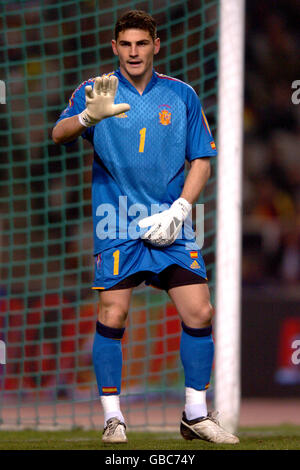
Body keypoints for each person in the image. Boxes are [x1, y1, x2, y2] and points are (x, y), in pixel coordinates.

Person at [52, 10, 239, 445]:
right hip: (115, 222)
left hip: (172, 221)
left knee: (200, 312)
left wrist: (179, 210)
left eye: (142, 43)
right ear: (114, 48)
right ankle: (113, 418)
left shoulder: (182, 95)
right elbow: (57, 133)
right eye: (126, 44)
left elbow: (202, 162)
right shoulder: (94, 92)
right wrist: (85, 119)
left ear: (157, 45)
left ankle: (195, 414)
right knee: (112, 315)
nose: (134, 52)